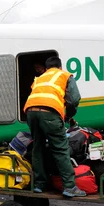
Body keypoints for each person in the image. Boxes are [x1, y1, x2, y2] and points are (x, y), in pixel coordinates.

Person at [24, 56, 85, 198]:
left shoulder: (39, 78)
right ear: (60, 67)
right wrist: (68, 116)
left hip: (30, 113)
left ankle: (40, 184)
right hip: (49, 113)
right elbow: (74, 99)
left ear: (46, 68)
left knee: (37, 147)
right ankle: (69, 187)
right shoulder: (64, 75)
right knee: (61, 149)